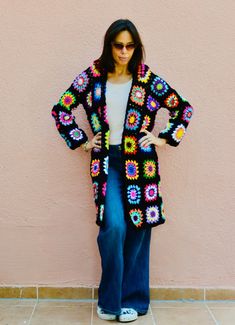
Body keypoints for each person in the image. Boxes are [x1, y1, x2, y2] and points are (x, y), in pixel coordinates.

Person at [51, 19, 194, 322]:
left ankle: (134, 301)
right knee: (114, 226)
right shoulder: (92, 77)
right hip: (107, 163)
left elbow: (183, 109)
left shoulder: (146, 80)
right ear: (109, 46)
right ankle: (110, 300)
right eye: (119, 45)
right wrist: (84, 142)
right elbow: (61, 109)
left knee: (139, 229)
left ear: (136, 48)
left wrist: (162, 138)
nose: (124, 52)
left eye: (130, 46)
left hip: (141, 163)